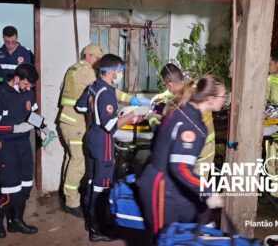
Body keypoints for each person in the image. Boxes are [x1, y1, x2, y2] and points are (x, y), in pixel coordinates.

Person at [59, 44, 145, 218]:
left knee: (76, 163)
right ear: (88, 55)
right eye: (97, 58)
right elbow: (108, 93)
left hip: (73, 121)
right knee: (80, 164)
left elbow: (83, 103)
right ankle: (73, 203)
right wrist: (133, 106)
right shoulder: (88, 73)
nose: (99, 62)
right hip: (77, 124)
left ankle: (82, 204)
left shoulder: (73, 68)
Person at [136, 75, 226, 237]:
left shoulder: (181, 110)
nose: (224, 100)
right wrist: (207, 191)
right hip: (160, 187)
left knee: (200, 219)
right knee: (164, 237)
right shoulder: (192, 125)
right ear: (210, 98)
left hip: (170, 184)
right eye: (222, 96)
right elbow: (180, 168)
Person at [86, 54, 149, 242]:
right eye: (119, 70)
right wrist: (133, 115)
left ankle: (90, 220)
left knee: (91, 183)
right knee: (101, 186)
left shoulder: (94, 86)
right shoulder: (105, 93)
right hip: (103, 141)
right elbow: (111, 126)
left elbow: (82, 107)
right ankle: (97, 229)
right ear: (110, 71)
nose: (120, 73)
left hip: (93, 137)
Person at [150, 63, 216, 180]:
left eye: (167, 87)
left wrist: (152, 119)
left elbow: (164, 131)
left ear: (169, 84)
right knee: (199, 189)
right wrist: (165, 94)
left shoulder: (174, 105)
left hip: (192, 157)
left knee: (188, 191)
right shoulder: (199, 88)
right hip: (208, 152)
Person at [0, 64, 39, 238]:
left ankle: (16, 222)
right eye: (26, 84)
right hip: (6, 146)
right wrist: (15, 128)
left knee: (25, 186)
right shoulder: (1, 94)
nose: (28, 88)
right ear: (16, 78)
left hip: (23, 145)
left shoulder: (28, 92)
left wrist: (43, 129)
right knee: (9, 189)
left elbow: (35, 115)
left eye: (31, 86)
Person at [260, 51, 278, 204]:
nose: (268, 67)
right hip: (272, 129)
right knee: (271, 162)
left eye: (270, 63)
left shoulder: (271, 80)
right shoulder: (269, 79)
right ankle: (274, 194)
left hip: (274, 127)